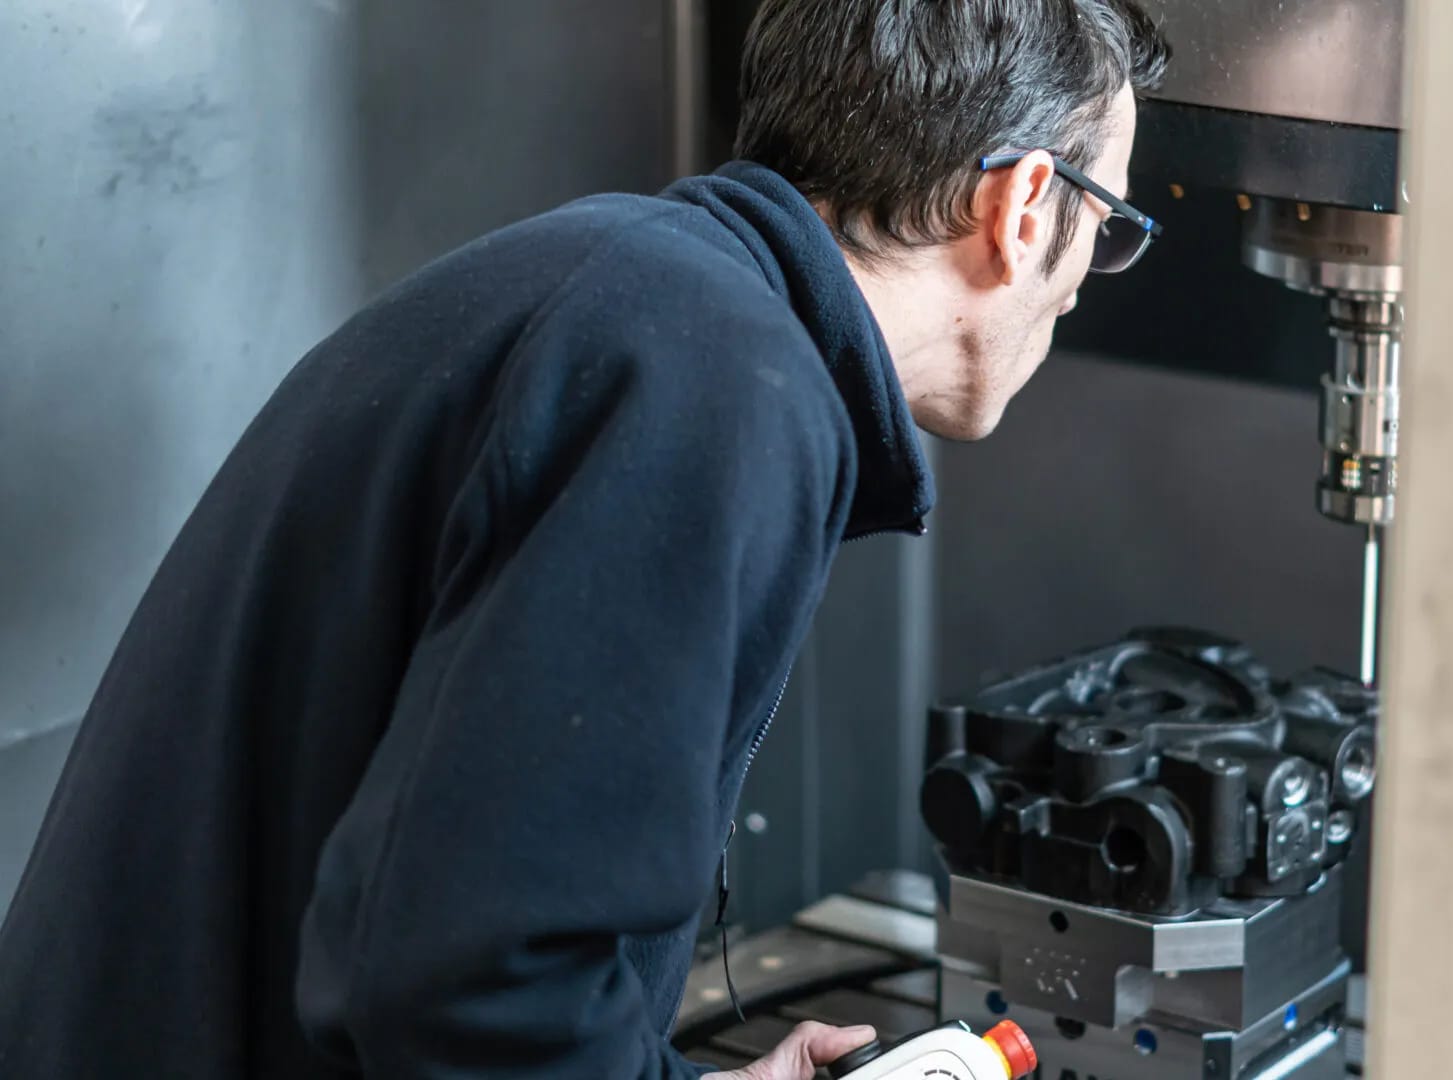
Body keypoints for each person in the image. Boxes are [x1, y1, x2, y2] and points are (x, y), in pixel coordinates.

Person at [0, 1, 1168, 1077]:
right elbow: (472, 989)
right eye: (1106, 227)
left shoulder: (642, 291)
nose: (1080, 288)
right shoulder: (721, 383)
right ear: (1019, 212)